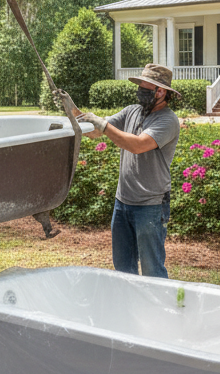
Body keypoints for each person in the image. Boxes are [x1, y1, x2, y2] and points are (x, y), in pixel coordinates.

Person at [76, 64, 180, 278]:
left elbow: (138, 145)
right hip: (122, 202)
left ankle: (158, 309)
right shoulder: (132, 111)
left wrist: (103, 125)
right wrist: (72, 110)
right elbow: (96, 131)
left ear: (160, 92)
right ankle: (130, 308)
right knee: (123, 268)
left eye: (144, 86)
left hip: (150, 205)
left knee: (152, 269)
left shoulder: (167, 120)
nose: (140, 90)